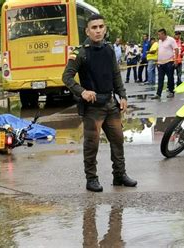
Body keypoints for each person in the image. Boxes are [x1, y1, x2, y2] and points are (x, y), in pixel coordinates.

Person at [62, 14, 137, 192]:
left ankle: (119, 175)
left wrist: (122, 95)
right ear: (87, 31)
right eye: (94, 28)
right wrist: (82, 92)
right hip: (92, 107)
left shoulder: (109, 49)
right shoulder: (81, 52)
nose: (98, 30)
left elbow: (115, 74)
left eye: (101, 27)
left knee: (118, 140)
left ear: (105, 29)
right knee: (92, 145)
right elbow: (66, 77)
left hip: (111, 104)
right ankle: (91, 179)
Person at [151, 28, 178, 99]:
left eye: (159, 35)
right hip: (160, 63)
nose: (158, 36)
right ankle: (158, 94)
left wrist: (176, 60)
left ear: (163, 34)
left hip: (169, 62)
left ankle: (171, 92)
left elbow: (176, 49)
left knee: (170, 78)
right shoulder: (159, 41)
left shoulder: (171, 40)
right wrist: (157, 60)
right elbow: (160, 51)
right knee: (160, 78)